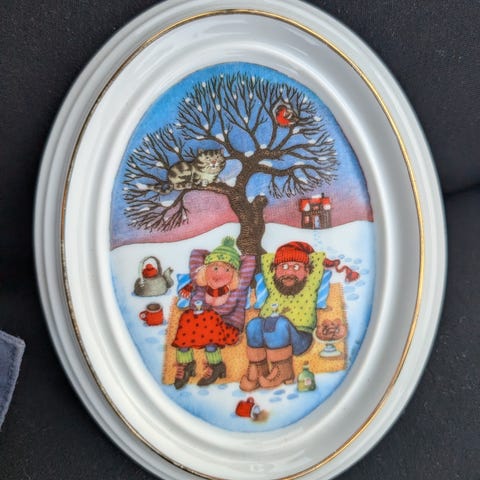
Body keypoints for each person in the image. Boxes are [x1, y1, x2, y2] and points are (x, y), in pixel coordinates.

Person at [240, 241, 325, 391]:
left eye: (296, 267)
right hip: (268, 337)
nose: (289, 272)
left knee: (279, 324)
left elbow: (317, 259)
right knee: (253, 325)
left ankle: (284, 370)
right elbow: (267, 260)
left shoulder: (309, 285)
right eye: (283, 267)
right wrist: (284, 255)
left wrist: (301, 249)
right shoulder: (274, 285)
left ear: (307, 271)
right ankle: (258, 369)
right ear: (274, 270)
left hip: (299, 338)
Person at [172, 237, 255, 389]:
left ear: (235, 274)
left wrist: (232, 257)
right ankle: (186, 364)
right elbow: (196, 253)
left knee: (209, 318)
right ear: (205, 269)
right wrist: (215, 255)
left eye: (227, 269)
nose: (219, 274)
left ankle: (216, 365)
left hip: (227, 328)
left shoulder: (238, 287)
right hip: (202, 325)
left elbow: (250, 259)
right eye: (215, 268)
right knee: (187, 317)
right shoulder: (201, 285)